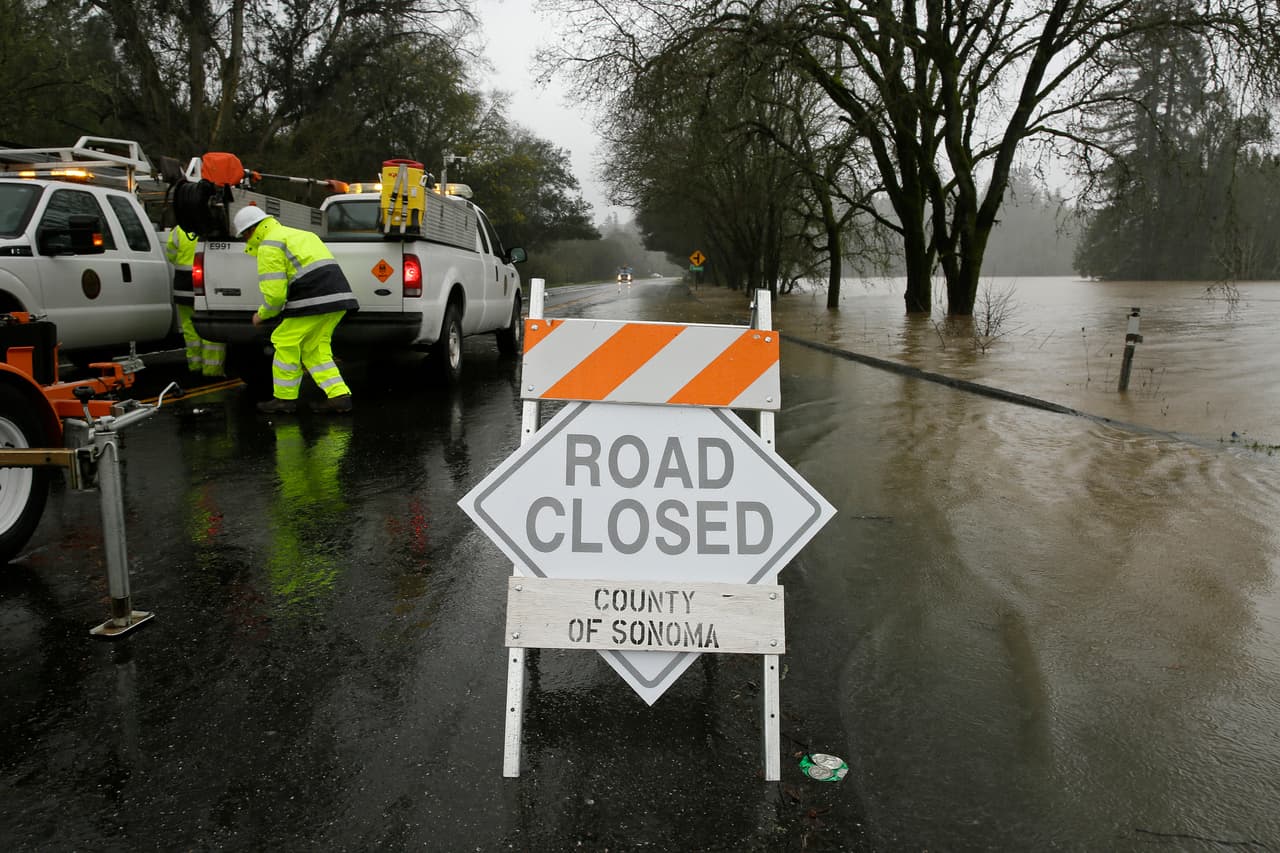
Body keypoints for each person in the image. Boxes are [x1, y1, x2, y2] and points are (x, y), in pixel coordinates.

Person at [232, 205, 358, 414]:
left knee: (284, 341)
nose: (245, 242)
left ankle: (284, 400)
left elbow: (275, 295)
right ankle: (339, 397)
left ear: (249, 231)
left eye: (243, 237)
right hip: (338, 299)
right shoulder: (300, 234)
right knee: (315, 348)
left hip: (311, 300)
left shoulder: (269, 245)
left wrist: (262, 315)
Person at [165, 226, 225, 377]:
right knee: (212, 328)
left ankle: (194, 365)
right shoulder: (212, 227)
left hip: (182, 285)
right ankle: (212, 370)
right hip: (206, 283)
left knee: (189, 328)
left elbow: (171, 254)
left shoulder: (178, 230)